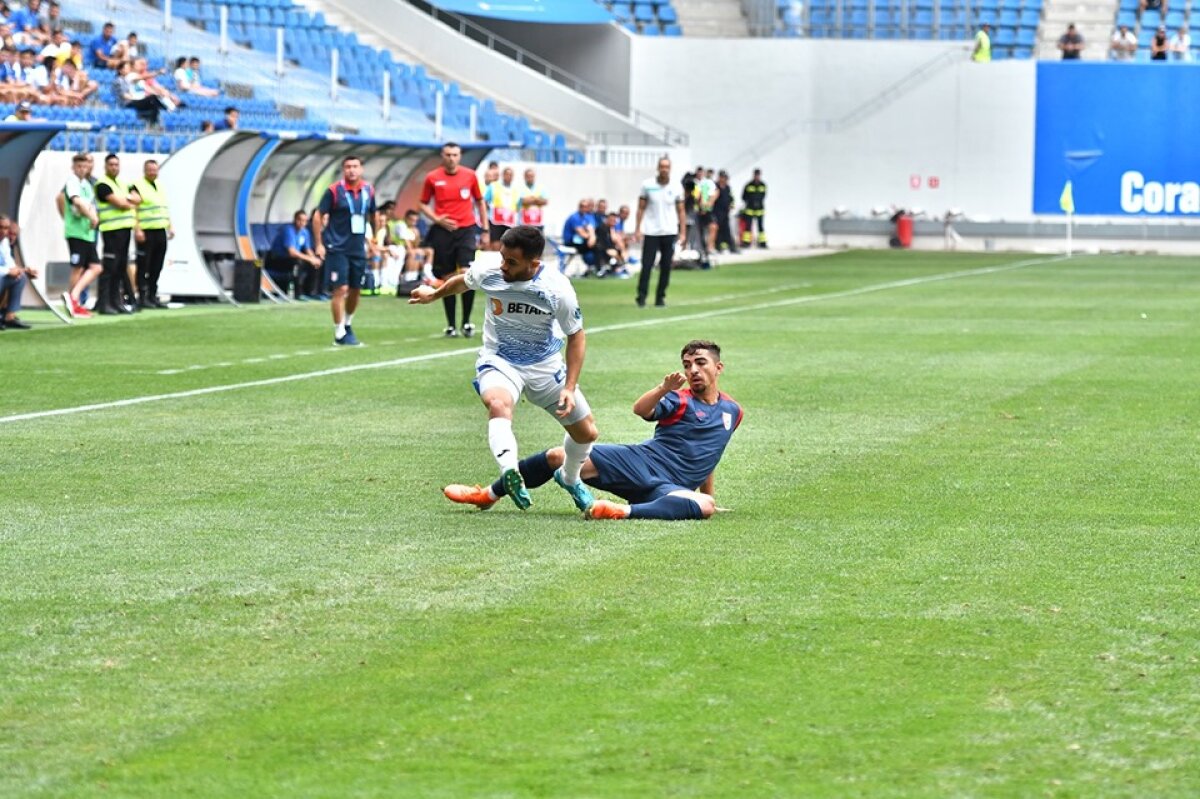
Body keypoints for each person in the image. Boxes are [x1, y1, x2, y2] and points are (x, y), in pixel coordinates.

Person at [411, 225, 599, 512]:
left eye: (512, 262)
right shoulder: (491, 272)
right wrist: (434, 295)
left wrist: (570, 387)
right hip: (500, 360)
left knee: (586, 433)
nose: (503, 266)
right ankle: (510, 472)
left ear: (534, 263)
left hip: (544, 366)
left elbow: (576, 335)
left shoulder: (557, 289)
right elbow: (463, 281)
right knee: (498, 403)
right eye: (502, 257)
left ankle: (570, 479)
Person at [445, 340, 741, 521]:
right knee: (558, 456)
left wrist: (709, 493)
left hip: (669, 487)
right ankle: (488, 495)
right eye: (687, 365)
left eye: (700, 363)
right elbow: (640, 410)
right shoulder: (678, 399)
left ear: (719, 367)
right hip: (640, 461)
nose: (692, 370)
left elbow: (710, 455)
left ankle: (619, 511)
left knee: (705, 505)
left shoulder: (732, 411)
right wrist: (663, 388)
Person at [417, 141, 488, 338]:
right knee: (447, 277)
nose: (451, 158)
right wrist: (437, 219)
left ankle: (466, 321)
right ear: (442, 155)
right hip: (443, 232)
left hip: (466, 229)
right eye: (448, 154)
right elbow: (422, 204)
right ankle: (451, 325)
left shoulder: (470, 175)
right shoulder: (432, 177)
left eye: (455, 155)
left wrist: (485, 228)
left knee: (466, 274)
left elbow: (480, 202)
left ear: (460, 156)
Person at [313, 154, 376, 346]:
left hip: (358, 248)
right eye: (348, 166)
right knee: (340, 288)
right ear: (343, 170)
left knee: (356, 289)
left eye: (355, 166)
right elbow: (318, 216)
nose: (352, 170)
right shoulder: (333, 191)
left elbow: (373, 215)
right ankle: (339, 332)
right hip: (337, 248)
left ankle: (347, 324)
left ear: (361, 169)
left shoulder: (369, 191)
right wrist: (319, 244)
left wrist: (373, 241)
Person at [634, 157, 686, 308]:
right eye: (662, 166)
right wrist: (638, 229)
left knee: (665, 267)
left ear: (670, 168)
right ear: (658, 168)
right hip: (651, 232)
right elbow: (641, 208)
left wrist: (683, 232)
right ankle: (641, 297)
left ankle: (660, 297)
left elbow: (681, 211)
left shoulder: (676, 186)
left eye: (667, 167)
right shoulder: (647, 185)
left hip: (669, 231)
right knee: (647, 265)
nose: (664, 169)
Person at [94, 152, 140, 314]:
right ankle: (104, 303)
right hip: (111, 231)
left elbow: (138, 198)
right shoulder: (102, 185)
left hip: (125, 230)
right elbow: (120, 203)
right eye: (111, 165)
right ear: (105, 166)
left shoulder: (123, 182)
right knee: (109, 267)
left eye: (116, 164)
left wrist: (127, 200)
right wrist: (128, 201)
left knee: (120, 267)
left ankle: (116, 302)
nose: (114, 167)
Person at [60, 151, 99, 319]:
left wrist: (93, 216)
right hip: (76, 232)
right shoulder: (72, 182)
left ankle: (73, 297)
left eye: (85, 166)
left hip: (87, 233)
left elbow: (89, 204)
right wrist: (91, 216)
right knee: (78, 268)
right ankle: (73, 301)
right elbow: (77, 202)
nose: (82, 169)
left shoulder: (87, 185)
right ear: (73, 167)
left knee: (96, 267)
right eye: (79, 166)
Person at [131, 158, 173, 308]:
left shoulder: (160, 186)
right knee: (143, 265)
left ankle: (152, 294)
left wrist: (170, 226)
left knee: (157, 265)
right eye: (150, 169)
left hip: (160, 230)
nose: (152, 172)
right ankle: (142, 296)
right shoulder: (137, 186)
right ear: (144, 170)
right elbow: (133, 209)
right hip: (146, 231)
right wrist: (137, 229)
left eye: (155, 170)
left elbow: (164, 208)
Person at [267, 210, 320, 298]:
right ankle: (297, 293)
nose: (302, 223)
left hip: (291, 259)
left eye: (304, 221)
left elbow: (307, 249)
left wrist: (314, 259)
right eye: (300, 220)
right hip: (277, 259)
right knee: (298, 262)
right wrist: (310, 259)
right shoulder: (288, 230)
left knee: (316, 263)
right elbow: (292, 252)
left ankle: (311, 292)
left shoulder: (305, 232)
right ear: (295, 220)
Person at [0, 213, 35, 330]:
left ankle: (9, 317)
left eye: (6, 228)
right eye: (1, 227)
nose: (4, 232)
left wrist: (23, 270)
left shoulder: (4, 242)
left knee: (20, 277)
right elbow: (6, 270)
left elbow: (9, 263)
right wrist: (7, 271)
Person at [483, 165, 519, 250]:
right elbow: (484, 201)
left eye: (511, 175)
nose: (508, 177)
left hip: (509, 222)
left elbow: (518, 205)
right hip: (496, 221)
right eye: (507, 174)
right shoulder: (493, 186)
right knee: (496, 244)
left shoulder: (516, 189)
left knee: (508, 246)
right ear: (503, 175)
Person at [694, 167, 718, 268]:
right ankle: (704, 251)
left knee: (712, 228)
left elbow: (714, 194)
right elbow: (697, 196)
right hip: (698, 212)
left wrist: (707, 205)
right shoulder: (697, 183)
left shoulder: (707, 183)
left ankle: (709, 249)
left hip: (705, 211)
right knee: (701, 233)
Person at [741, 168, 767, 248]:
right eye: (756, 175)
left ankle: (762, 243)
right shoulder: (748, 185)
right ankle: (746, 242)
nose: (757, 176)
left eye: (758, 175)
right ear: (754, 175)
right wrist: (750, 202)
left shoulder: (763, 185)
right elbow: (743, 196)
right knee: (748, 227)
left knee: (761, 227)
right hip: (750, 210)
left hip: (759, 210)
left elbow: (763, 196)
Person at [517, 167, 547, 231]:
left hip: (537, 222)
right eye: (528, 176)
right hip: (524, 222)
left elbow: (545, 201)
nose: (530, 178)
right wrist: (536, 199)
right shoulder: (520, 188)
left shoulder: (540, 188)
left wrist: (531, 199)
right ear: (524, 177)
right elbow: (523, 201)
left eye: (532, 176)